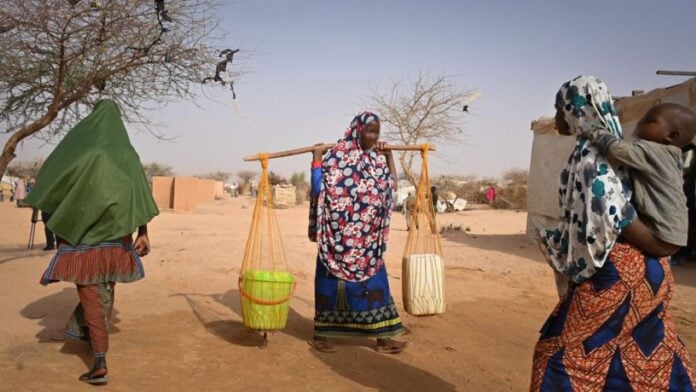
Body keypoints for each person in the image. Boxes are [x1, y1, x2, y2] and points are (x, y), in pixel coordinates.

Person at [531, 76, 695, 390]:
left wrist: (658, 245)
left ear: (577, 110)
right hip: (650, 271)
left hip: (618, 268)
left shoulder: (594, 156)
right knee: (649, 347)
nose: (556, 116)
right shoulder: (633, 151)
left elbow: (610, 215)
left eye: (560, 108)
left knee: (562, 355)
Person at [25, 100, 159, 385]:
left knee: (91, 294)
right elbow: (138, 197)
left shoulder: (80, 150)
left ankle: (99, 359)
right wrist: (143, 232)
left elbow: (53, 180)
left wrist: (58, 220)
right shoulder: (128, 155)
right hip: (118, 239)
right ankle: (88, 335)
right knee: (104, 292)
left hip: (81, 237)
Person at [307, 112, 407, 354]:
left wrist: (389, 156)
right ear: (357, 130)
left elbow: (391, 186)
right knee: (329, 287)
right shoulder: (337, 157)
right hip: (337, 240)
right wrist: (318, 157)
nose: (373, 137)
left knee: (375, 285)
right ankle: (323, 335)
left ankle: (383, 336)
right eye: (369, 131)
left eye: (377, 132)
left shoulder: (375, 162)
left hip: (367, 242)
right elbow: (318, 188)